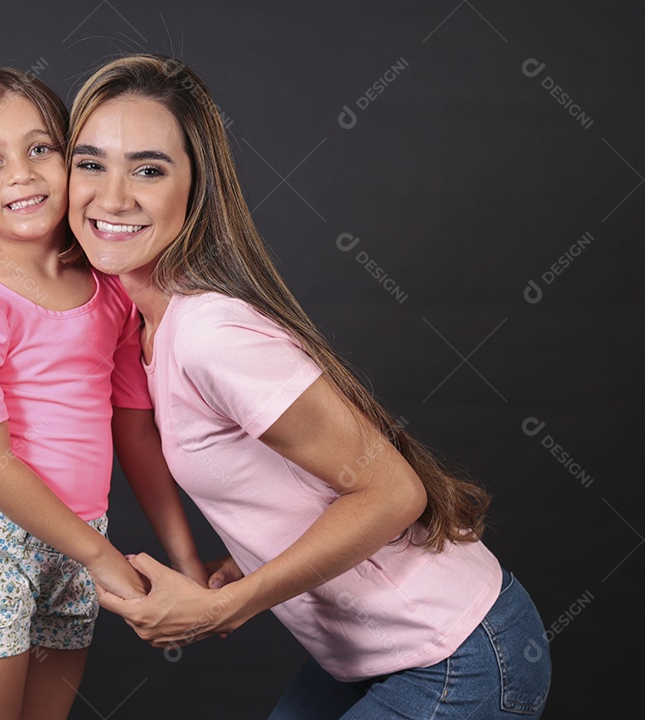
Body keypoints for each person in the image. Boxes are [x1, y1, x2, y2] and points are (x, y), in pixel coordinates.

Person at [67, 54, 552, 719]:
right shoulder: (150, 330)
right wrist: (250, 563)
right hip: (364, 657)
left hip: (458, 653)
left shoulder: (210, 332)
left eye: (148, 168)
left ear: (196, 189)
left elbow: (394, 491)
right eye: (90, 163)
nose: (113, 196)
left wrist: (226, 606)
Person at [0, 67, 206, 720]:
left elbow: (134, 433)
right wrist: (101, 558)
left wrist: (184, 560)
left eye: (40, 148)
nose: (21, 173)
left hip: (78, 541)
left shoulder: (112, 290)